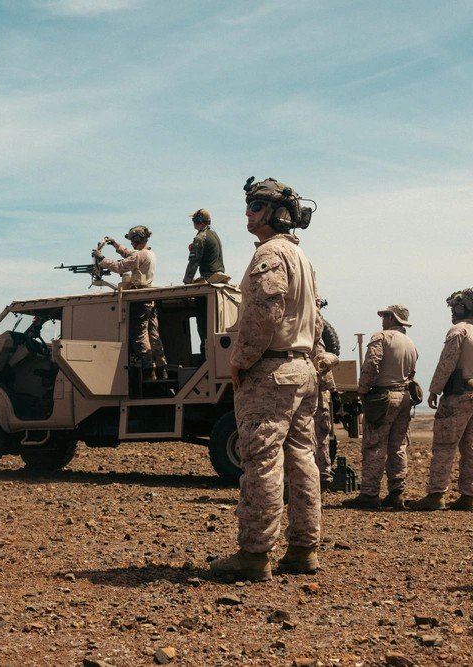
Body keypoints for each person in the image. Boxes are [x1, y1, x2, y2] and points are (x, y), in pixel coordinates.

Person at [208, 176, 321, 582]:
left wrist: (240, 359)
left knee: (262, 461)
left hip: (271, 370)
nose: (247, 213)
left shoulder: (270, 255)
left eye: (255, 207)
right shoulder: (301, 258)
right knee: (302, 458)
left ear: (276, 213)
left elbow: (264, 313)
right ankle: (304, 548)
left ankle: (254, 555)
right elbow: (317, 318)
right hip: (302, 368)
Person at [410, 289, 473, 512]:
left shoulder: (459, 331)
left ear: (461, 308)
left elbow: (447, 363)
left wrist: (434, 390)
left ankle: (436, 495)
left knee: (445, 445)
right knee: (472, 444)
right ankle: (469, 496)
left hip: (458, 395)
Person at [343, 304, 418, 510]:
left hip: (383, 397)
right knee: (398, 447)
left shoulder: (382, 337)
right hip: (404, 396)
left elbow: (372, 363)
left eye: (385, 315)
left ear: (392, 318)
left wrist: (363, 389)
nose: (382, 319)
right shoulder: (410, 343)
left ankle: (369, 494)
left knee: (375, 446)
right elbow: (412, 372)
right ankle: (396, 492)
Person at [92, 226, 167, 381]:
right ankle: (162, 367)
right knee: (153, 334)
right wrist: (115, 244)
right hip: (149, 297)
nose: (131, 243)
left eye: (133, 240)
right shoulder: (150, 253)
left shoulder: (139, 256)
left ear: (137, 239)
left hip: (140, 299)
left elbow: (119, 266)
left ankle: (149, 370)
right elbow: (128, 253)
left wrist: (101, 259)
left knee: (139, 335)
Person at [313, 350, 339, 492]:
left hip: (315, 396)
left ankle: (321, 478)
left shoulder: (308, 337)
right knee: (320, 439)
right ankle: (322, 477)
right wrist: (333, 390)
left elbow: (323, 362)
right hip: (318, 396)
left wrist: (333, 390)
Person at [183, 208, 226, 284]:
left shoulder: (200, 238)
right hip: (219, 275)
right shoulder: (213, 234)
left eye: (193, 220)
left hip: (209, 277)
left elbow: (193, 262)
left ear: (198, 220)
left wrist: (187, 281)